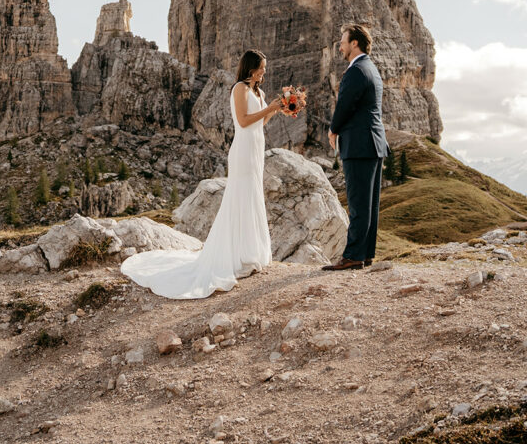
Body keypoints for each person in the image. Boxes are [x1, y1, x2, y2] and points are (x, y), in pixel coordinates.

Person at [120, 49, 303, 299]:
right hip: (243, 150)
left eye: (264, 68)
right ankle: (236, 256)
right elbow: (243, 121)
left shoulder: (258, 92)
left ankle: (250, 253)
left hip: (256, 148)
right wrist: (268, 108)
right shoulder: (239, 88)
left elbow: (260, 122)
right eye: (261, 67)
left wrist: (276, 109)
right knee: (240, 197)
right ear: (250, 68)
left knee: (252, 196)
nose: (264, 71)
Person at [323, 23, 387, 271]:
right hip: (373, 142)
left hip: (359, 144)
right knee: (369, 204)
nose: (340, 46)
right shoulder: (371, 69)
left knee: (358, 203)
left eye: (342, 42)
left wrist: (333, 129)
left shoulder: (356, 71)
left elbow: (345, 105)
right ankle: (365, 253)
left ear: (354, 43)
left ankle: (352, 256)